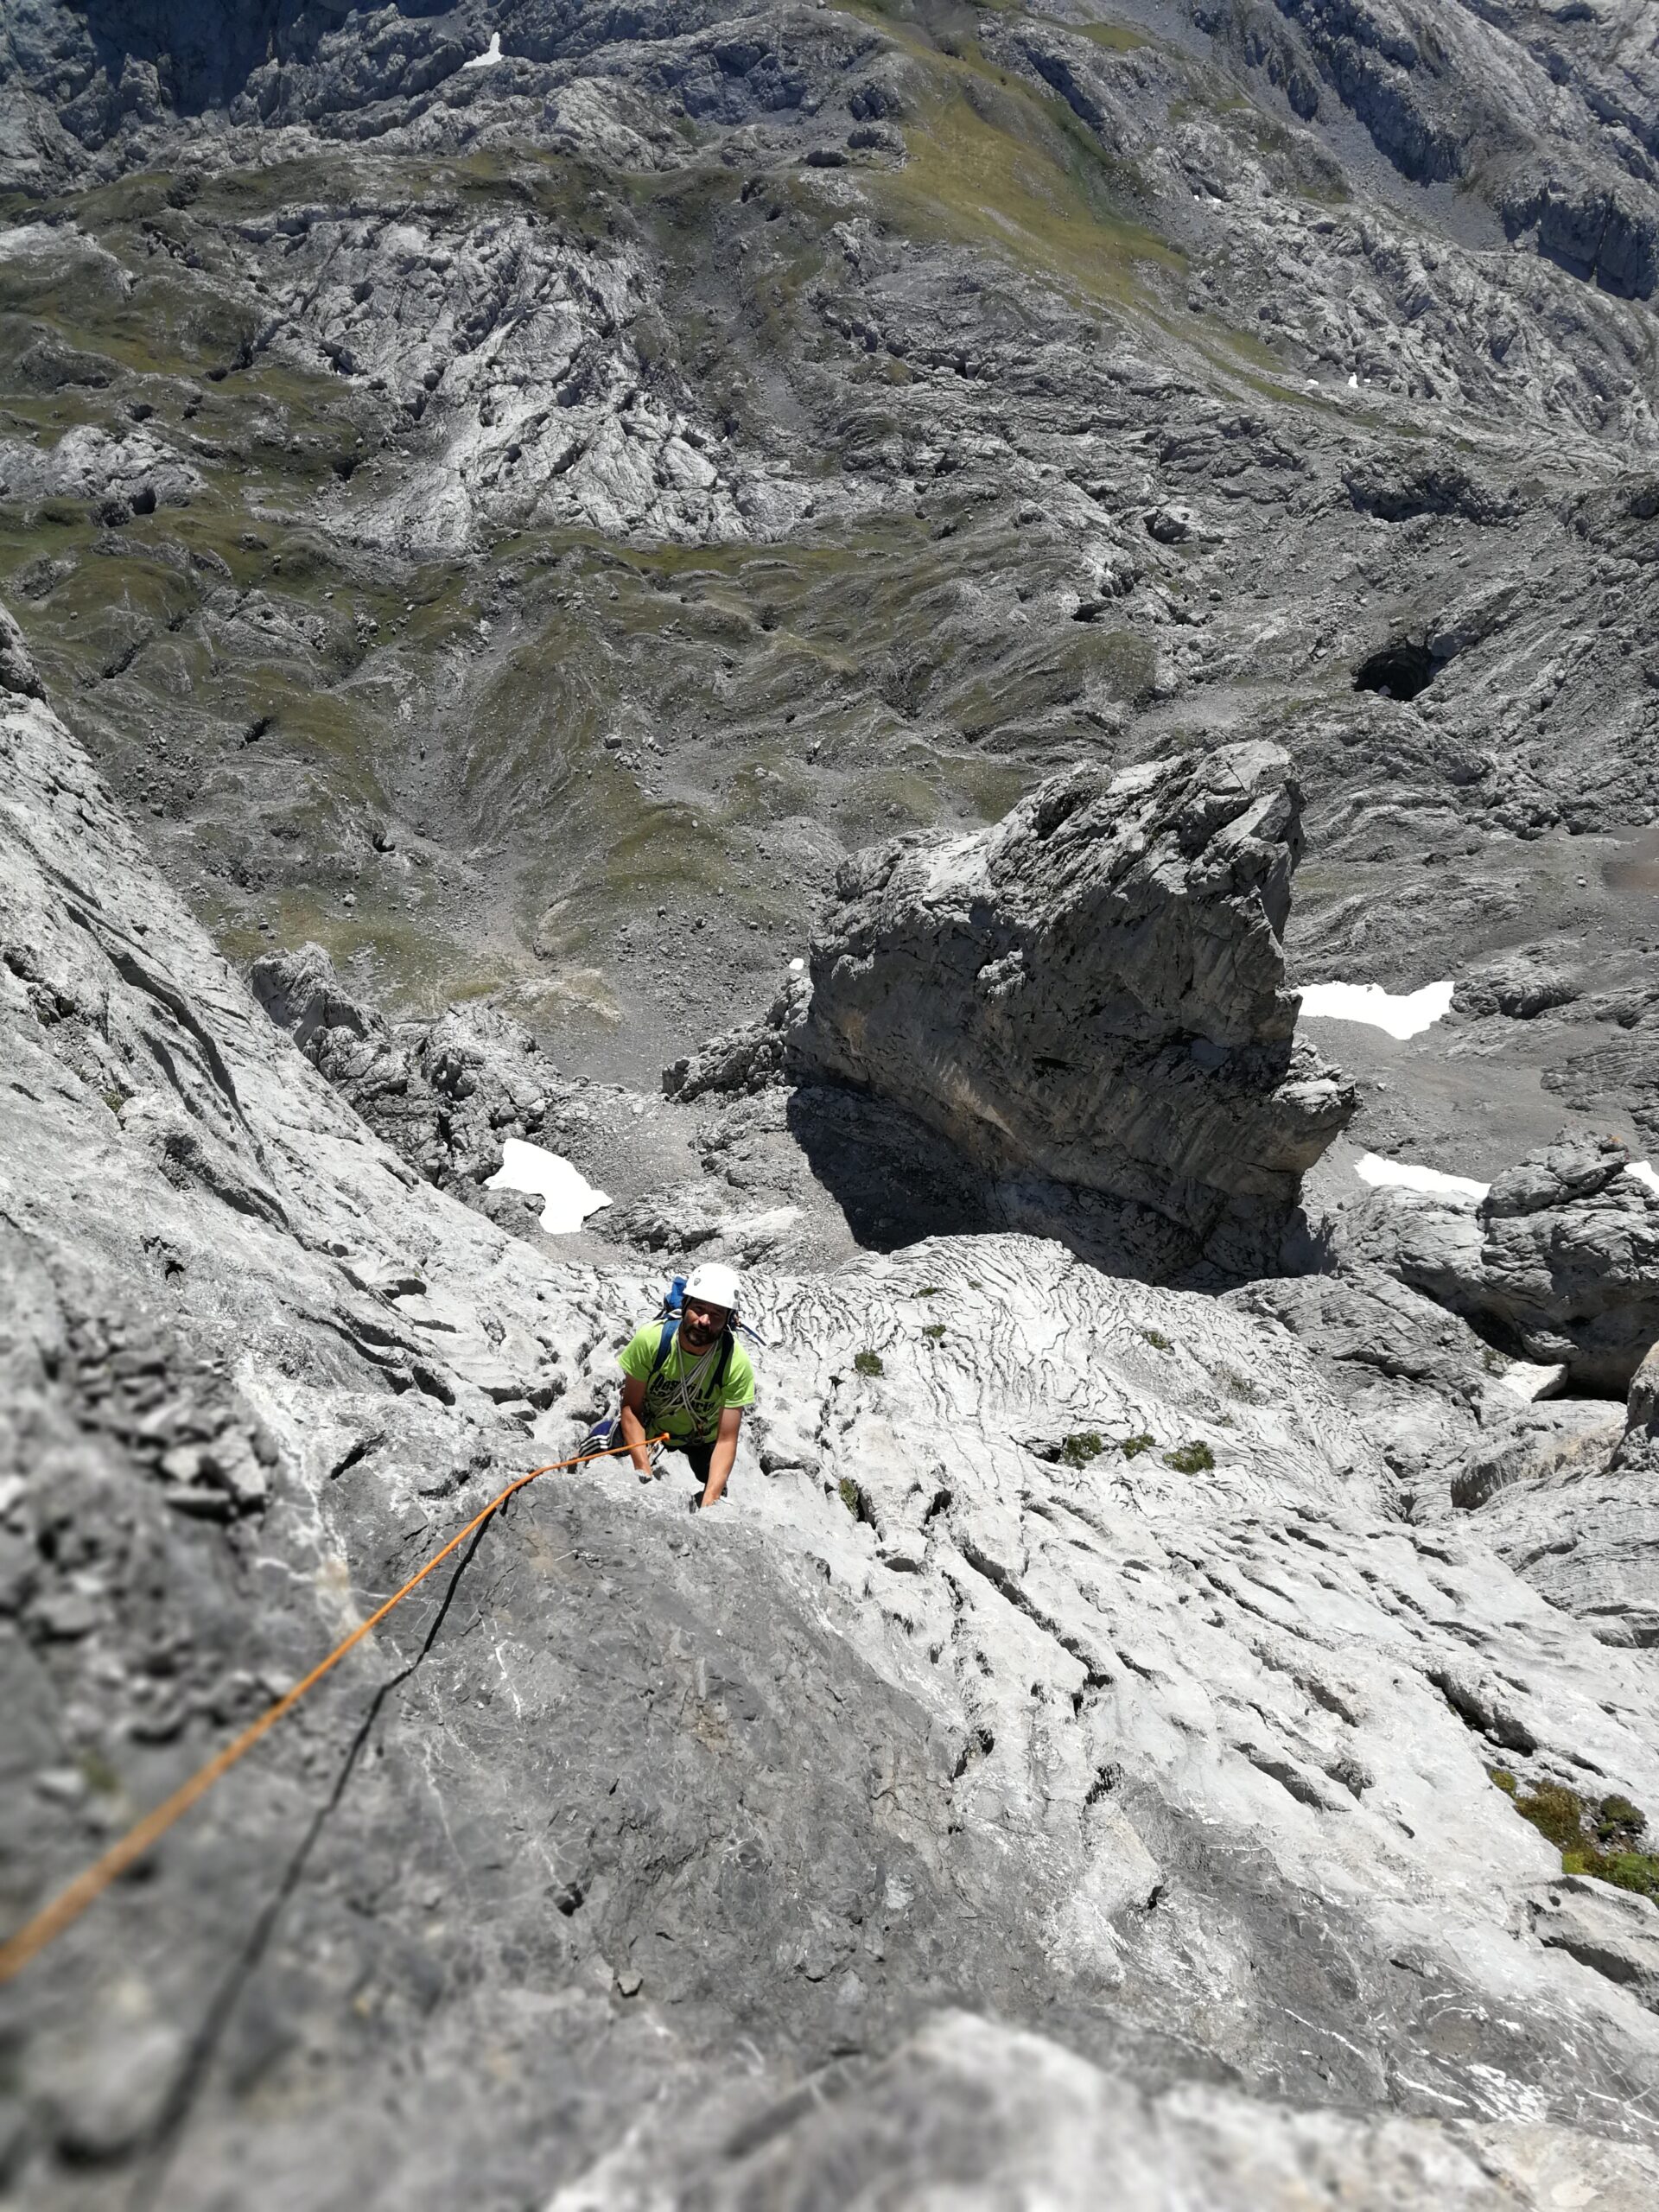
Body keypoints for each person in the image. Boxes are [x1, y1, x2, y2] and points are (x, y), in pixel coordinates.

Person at [617, 1262, 755, 1510]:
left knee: (714, 1489)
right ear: (685, 1305)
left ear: (727, 1321)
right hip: (650, 1422)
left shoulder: (734, 1363)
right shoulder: (652, 1340)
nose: (704, 1321)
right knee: (606, 1444)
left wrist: (709, 1504)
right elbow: (631, 1409)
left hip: (702, 1437)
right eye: (699, 1309)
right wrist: (642, 1472)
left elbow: (726, 1440)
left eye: (716, 1315)